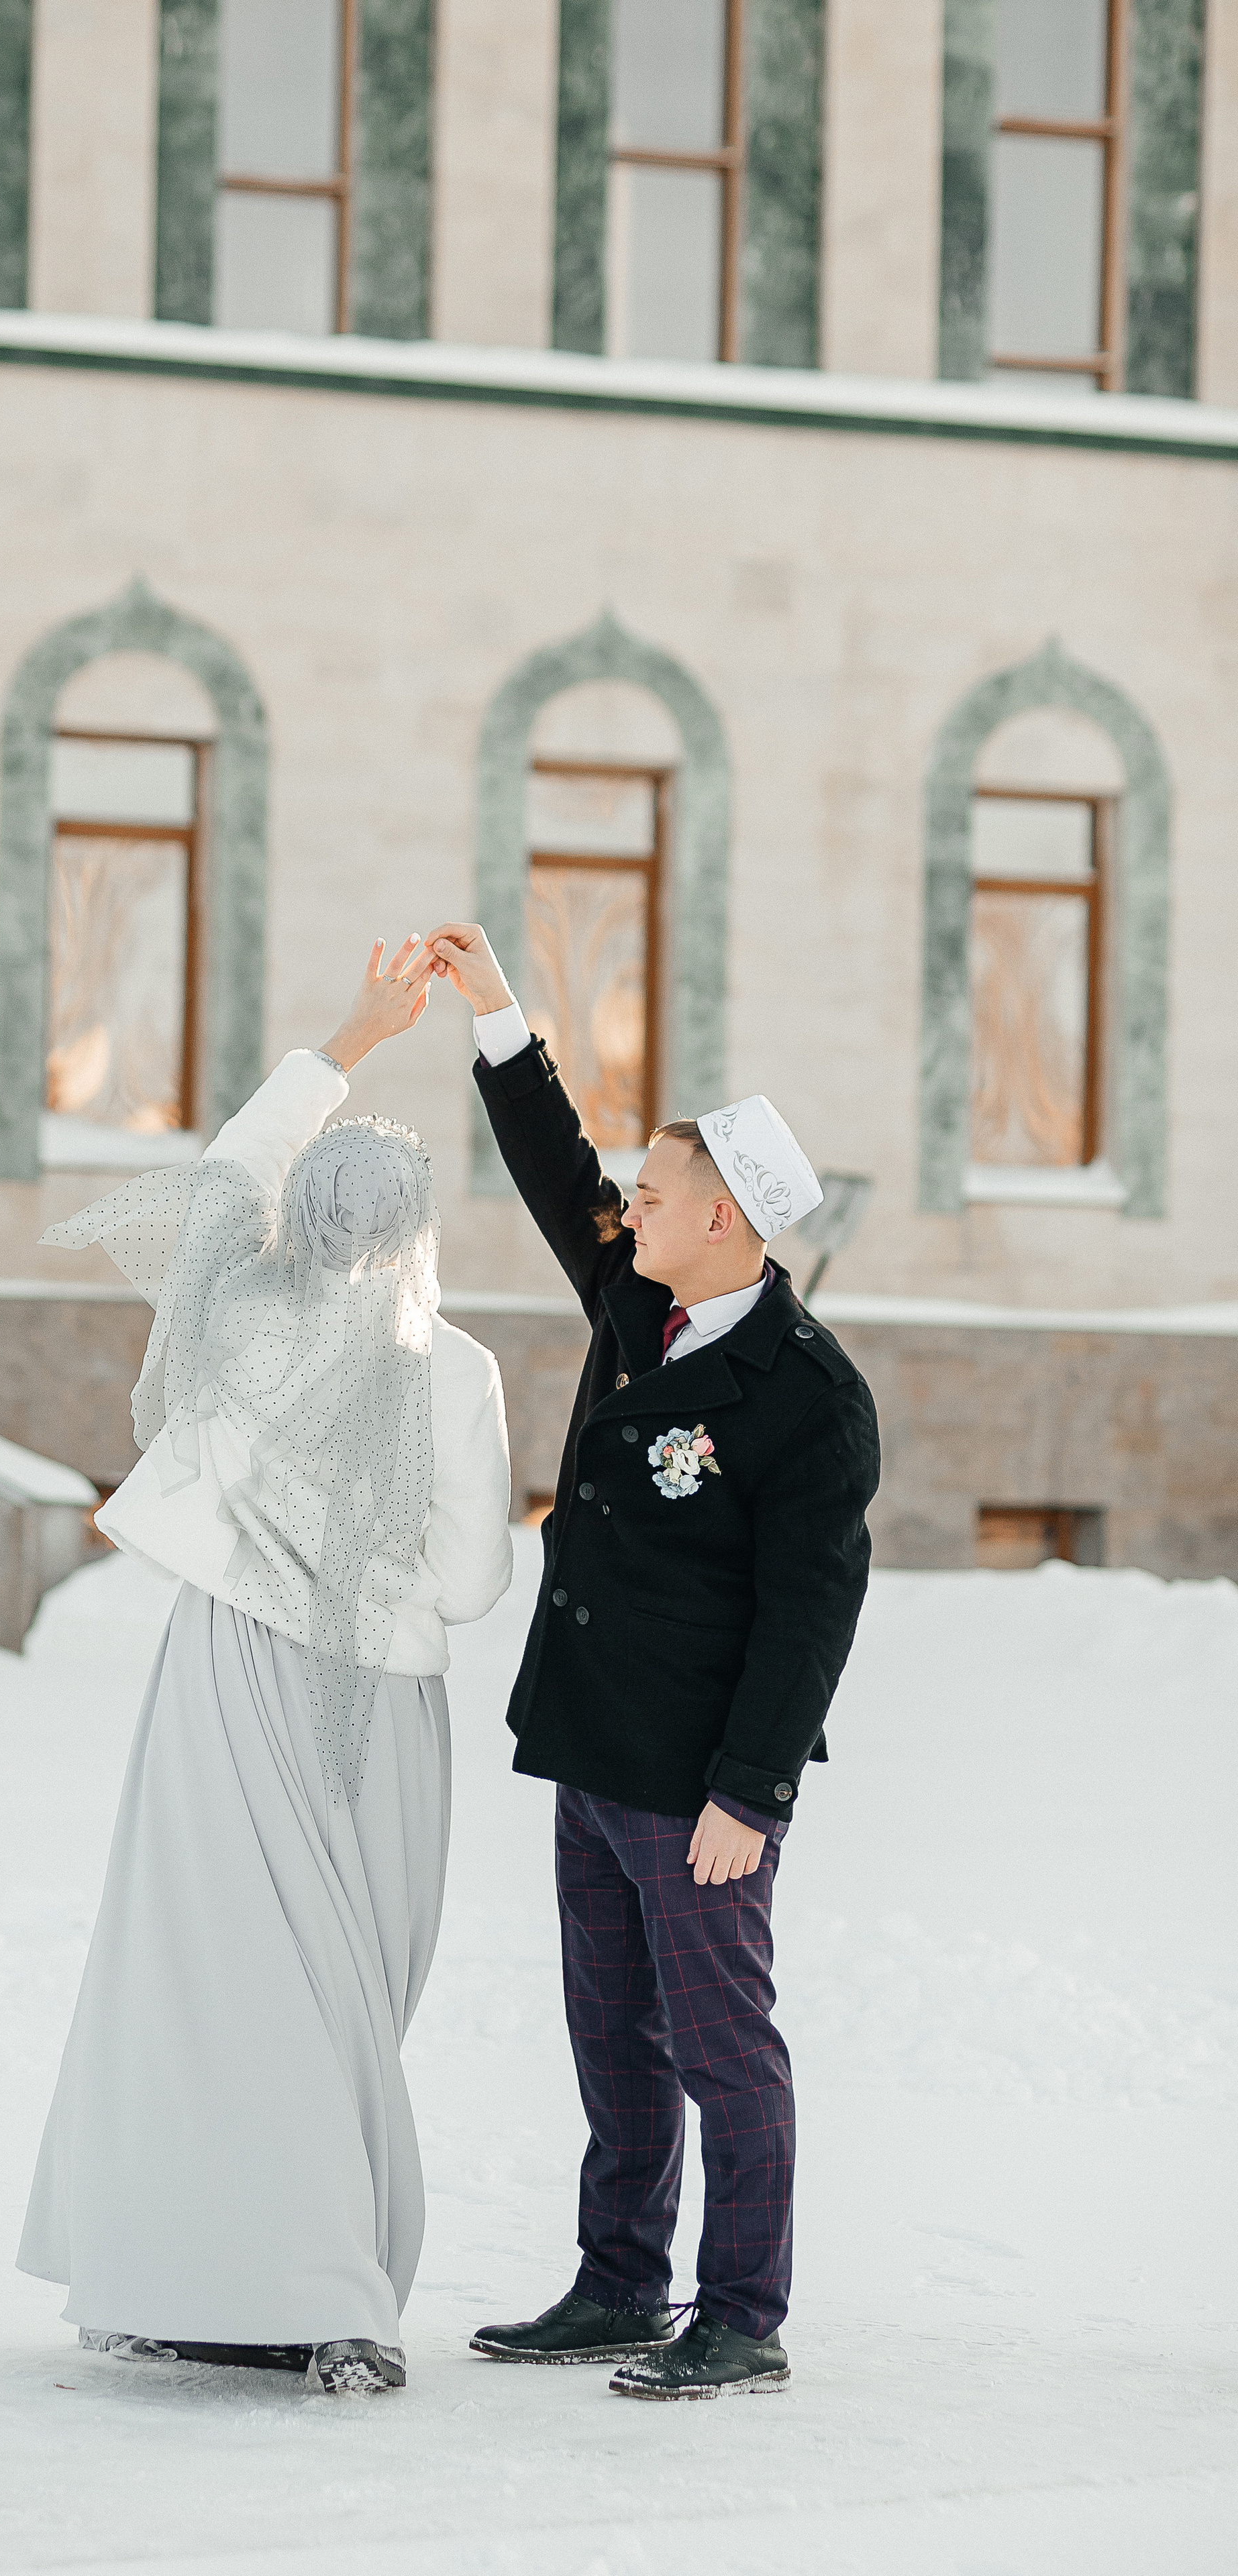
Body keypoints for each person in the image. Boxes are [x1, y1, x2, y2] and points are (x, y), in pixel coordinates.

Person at [17, 938, 514, 2397]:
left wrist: (350, 1038)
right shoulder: (457, 1370)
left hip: (228, 1678)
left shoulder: (232, 1312)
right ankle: (331, 2295)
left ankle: (198, 2268)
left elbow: (223, 1177)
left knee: (206, 1965)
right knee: (340, 1982)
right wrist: (368, 1571)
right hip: (376, 1696)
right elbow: (477, 1578)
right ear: (418, 1227)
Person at [423, 920, 880, 2402]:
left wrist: (748, 1795)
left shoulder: (806, 1396)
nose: (626, 1204)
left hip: (699, 1785)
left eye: (657, 1190)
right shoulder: (636, 1302)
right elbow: (559, 1175)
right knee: (609, 2037)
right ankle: (619, 2282)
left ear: (729, 1219)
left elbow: (809, 1615)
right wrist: (497, 1011)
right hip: (591, 1745)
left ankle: (740, 2312)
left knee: (717, 2045)